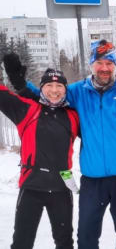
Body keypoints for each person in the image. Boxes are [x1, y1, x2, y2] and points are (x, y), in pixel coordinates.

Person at [4, 40, 116, 249]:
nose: (104, 68)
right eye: (100, 62)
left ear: (114, 65)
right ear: (92, 64)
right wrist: (21, 84)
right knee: (86, 238)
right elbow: (49, 95)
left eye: (109, 63)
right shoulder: (77, 92)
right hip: (93, 181)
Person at [0, 63, 79, 249]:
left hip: (62, 188)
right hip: (31, 187)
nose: (54, 90)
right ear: (41, 88)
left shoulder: (73, 115)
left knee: (65, 243)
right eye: (49, 86)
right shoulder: (28, 110)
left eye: (59, 86)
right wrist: (17, 82)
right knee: (21, 243)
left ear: (65, 90)